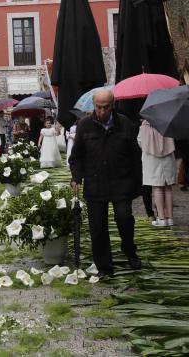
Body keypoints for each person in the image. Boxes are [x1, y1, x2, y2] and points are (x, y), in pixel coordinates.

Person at [69, 89, 142, 277]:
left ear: (113, 105)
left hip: (121, 181)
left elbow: (135, 155)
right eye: (98, 107)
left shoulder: (124, 123)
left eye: (106, 107)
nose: (102, 111)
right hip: (95, 183)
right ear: (94, 105)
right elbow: (76, 156)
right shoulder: (85, 125)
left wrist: (138, 183)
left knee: (124, 218)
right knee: (97, 227)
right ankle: (104, 266)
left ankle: (129, 250)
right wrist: (76, 177)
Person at [138, 120, 177, 227]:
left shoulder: (145, 125)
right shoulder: (167, 122)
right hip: (168, 157)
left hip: (151, 159)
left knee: (157, 188)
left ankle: (161, 218)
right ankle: (170, 218)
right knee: (168, 188)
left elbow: (140, 141)